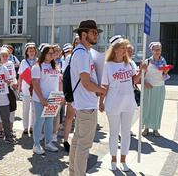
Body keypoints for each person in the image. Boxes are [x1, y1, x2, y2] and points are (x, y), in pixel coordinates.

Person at [99, 35, 145, 171]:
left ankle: (123, 160)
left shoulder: (129, 63)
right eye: (122, 47)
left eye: (126, 47)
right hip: (113, 103)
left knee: (126, 133)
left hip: (128, 102)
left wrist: (142, 71)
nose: (125, 50)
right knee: (114, 133)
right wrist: (101, 101)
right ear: (115, 49)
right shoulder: (107, 65)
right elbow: (105, 86)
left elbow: (134, 81)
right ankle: (113, 160)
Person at [69, 20, 106, 176]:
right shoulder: (83, 55)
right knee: (83, 147)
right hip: (86, 106)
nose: (96, 35)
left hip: (83, 105)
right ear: (84, 34)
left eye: (97, 32)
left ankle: (73, 173)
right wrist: (101, 89)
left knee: (77, 143)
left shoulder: (81, 52)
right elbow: (86, 83)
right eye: (93, 32)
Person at [31, 44, 62, 155]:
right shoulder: (37, 67)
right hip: (41, 99)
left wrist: (60, 95)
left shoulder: (56, 66)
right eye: (50, 53)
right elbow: (35, 83)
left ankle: (48, 143)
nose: (52, 55)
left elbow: (59, 82)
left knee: (49, 121)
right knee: (40, 121)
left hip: (53, 98)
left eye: (53, 53)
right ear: (44, 54)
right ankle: (36, 144)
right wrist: (42, 99)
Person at [142, 42, 168, 137]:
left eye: (159, 49)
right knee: (147, 108)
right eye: (155, 49)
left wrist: (165, 72)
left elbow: (165, 76)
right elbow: (140, 76)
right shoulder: (147, 61)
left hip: (160, 87)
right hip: (149, 88)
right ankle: (146, 128)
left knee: (157, 109)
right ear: (152, 51)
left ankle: (156, 128)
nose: (157, 51)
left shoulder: (163, 61)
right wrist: (145, 83)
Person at [0, 46, 18, 138]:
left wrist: (14, 83)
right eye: (3, 55)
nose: (5, 57)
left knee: (12, 109)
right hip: (0, 91)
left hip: (10, 89)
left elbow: (14, 76)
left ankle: (10, 129)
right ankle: (1, 130)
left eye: (6, 55)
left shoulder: (10, 64)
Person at [18, 42, 37, 135]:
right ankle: (25, 127)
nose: (32, 52)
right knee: (26, 108)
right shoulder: (23, 62)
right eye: (30, 51)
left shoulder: (38, 61)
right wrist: (19, 87)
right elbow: (20, 76)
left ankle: (32, 127)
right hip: (26, 87)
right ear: (27, 52)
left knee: (34, 109)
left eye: (33, 50)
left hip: (36, 88)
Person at [61, 43, 76, 152]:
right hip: (73, 91)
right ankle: (65, 140)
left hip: (84, 93)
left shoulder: (89, 55)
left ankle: (77, 141)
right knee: (69, 117)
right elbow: (65, 76)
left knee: (80, 118)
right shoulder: (69, 58)